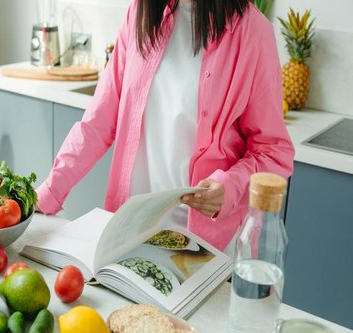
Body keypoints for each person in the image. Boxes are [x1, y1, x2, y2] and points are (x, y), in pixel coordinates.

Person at [36, 0, 295, 252]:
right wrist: (48, 193)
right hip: (131, 230)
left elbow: (273, 151)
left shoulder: (252, 31)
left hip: (203, 245)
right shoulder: (140, 13)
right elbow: (98, 122)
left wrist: (230, 188)